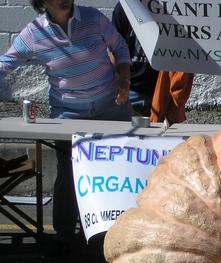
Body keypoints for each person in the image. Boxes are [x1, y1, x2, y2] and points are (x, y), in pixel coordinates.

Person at [0, 0, 131, 249]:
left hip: (111, 108)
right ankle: (64, 234)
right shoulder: (34, 33)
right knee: (69, 173)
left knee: (115, 172)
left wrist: (124, 79)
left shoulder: (94, 18)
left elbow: (120, 47)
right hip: (68, 113)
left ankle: (116, 232)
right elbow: (6, 63)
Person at [112, 1, 158, 117]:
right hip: (130, 90)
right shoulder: (123, 8)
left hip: (158, 90)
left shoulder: (168, 9)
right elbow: (114, 51)